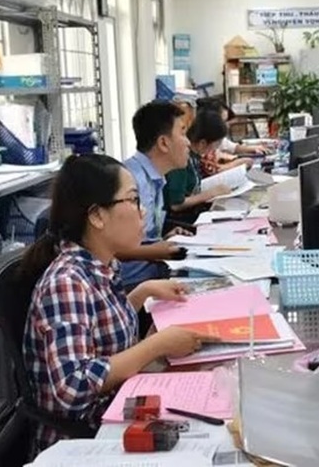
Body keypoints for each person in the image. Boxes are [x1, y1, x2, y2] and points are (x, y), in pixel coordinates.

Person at [20, 154, 218, 453]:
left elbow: (99, 328)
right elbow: (74, 386)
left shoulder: (98, 265)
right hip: (87, 442)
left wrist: (142, 292)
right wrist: (157, 345)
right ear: (97, 216)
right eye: (133, 200)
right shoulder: (66, 282)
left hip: (118, 409)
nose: (143, 212)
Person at [119, 101, 192, 289]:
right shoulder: (132, 182)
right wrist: (158, 250)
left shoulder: (154, 178)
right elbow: (116, 248)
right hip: (133, 285)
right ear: (163, 143)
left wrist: (165, 240)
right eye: (183, 133)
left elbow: (140, 239)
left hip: (152, 275)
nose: (188, 142)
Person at [164, 109, 233, 226]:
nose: (215, 149)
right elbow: (176, 204)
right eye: (216, 145)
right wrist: (211, 193)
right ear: (202, 143)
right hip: (181, 220)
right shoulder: (181, 159)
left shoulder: (194, 156)